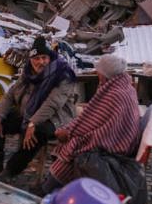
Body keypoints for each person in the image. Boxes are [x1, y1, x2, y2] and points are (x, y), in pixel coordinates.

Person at [0, 36, 76, 178]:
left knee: (37, 132)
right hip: (28, 114)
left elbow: (52, 104)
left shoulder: (62, 74)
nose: (40, 62)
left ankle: (10, 171)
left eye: (44, 57)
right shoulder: (28, 73)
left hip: (56, 118)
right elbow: (10, 95)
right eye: (36, 58)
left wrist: (32, 124)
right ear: (31, 59)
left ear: (49, 57)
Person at [40, 54, 140, 193]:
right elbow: (93, 118)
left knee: (74, 147)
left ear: (105, 74)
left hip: (113, 145)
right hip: (120, 139)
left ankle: (48, 191)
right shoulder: (124, 87)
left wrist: (68, 132)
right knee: (71, 141)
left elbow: (92, 123)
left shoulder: (114, 95)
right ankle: (51, 187)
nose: (96, 73)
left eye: (98, 71)